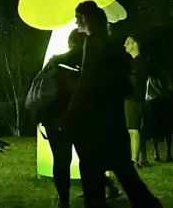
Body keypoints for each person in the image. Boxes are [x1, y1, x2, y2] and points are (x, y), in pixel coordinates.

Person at [66, 1, 161, 208]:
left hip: (96, 115)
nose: (75, 21)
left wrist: (72, 109)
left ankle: (96, 202)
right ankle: (147, 203)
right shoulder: (110, 42)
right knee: (121, 166)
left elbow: (87, 79)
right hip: (113, 114)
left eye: (77, 17)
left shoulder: (92, 42)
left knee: (91, 164)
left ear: (84, 19)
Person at [36, 29, 119, 208]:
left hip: (55, 120)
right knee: (89, 160)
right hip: (83, 119)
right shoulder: (92, 64)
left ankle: (63, 200)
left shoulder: (55, 61)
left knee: (61, 160)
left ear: (69, 42)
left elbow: (42, 90)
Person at [124, 36, 150, 167]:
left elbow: (137, 81)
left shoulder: (141, 62)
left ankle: (134, 159)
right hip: (128, 98)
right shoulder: (130, 62)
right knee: (130, 130)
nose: (125, 45)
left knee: (134, 129)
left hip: (135, 99)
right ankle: (135, 157)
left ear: (135, 44)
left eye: (128, 43)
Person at [145, 58, 173, 163]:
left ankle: (156, 154)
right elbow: (170, 86)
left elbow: (146, 91)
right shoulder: (163, 72)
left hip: (152, 102)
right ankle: (168, 155)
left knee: (154, 129)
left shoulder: (148, 74)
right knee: (167, 128)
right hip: (163, 101)